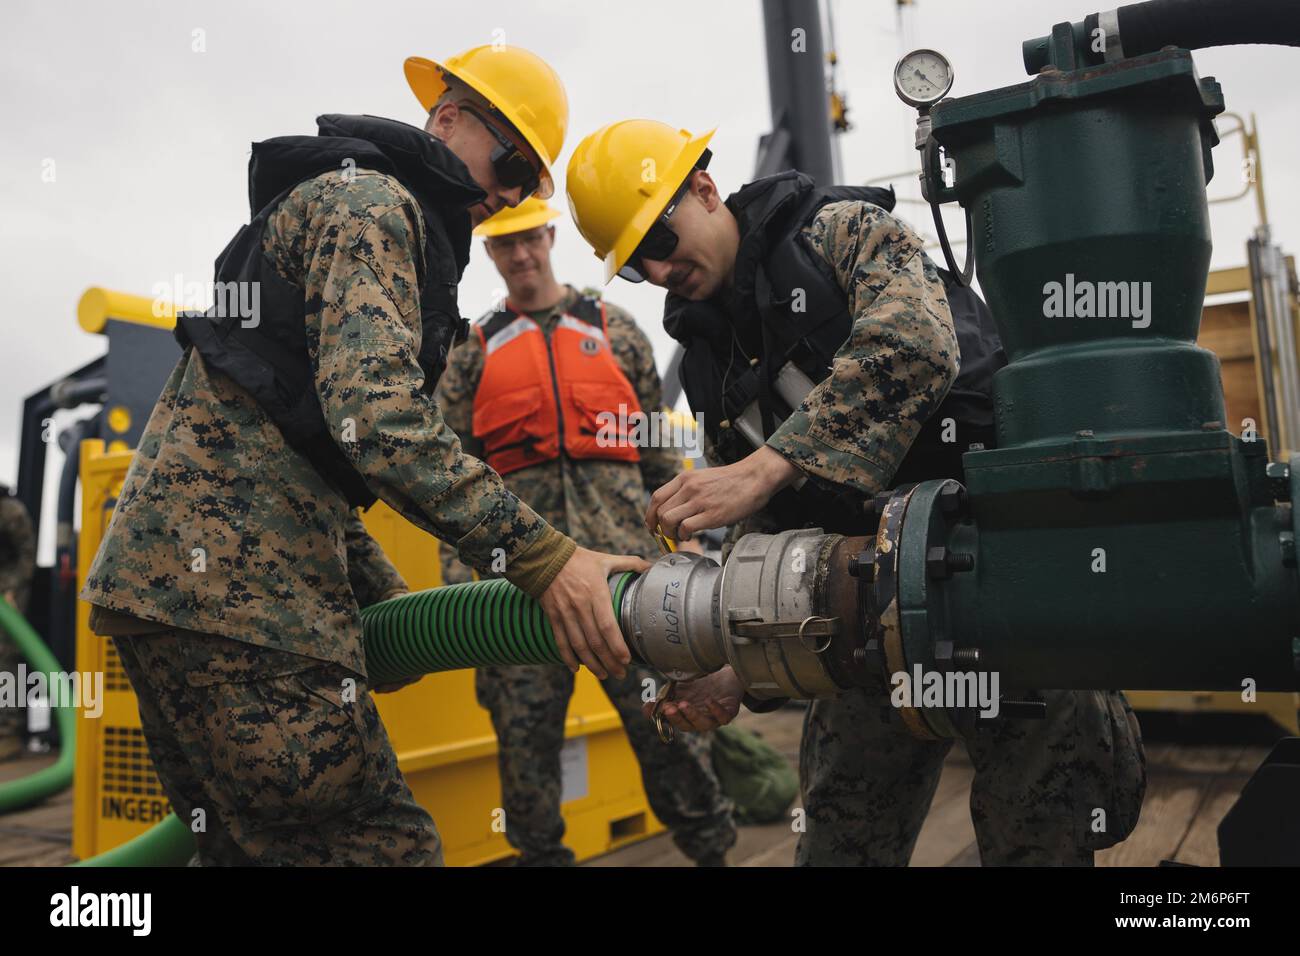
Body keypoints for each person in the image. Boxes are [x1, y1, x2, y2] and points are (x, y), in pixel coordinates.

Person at [79, 46, 645, 866]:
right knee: (381, 847)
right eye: (512, 161)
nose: (510, 195)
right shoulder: (375, 206)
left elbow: (297, 447)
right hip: (240, 606)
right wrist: (548, 558)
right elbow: (376, 422)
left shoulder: (360, 205)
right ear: (448, 118)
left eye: (529, 184)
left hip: (177, 596)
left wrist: (378, 595)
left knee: (253, 852)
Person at [565, 118, 1146, 866]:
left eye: (658, 241)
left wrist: (770, 462)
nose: (657, 269)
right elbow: (762, 534)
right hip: (863, 618)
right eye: (635, 268)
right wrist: (737, 669)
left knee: (1043, 832)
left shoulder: (837, 233)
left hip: (994, 578)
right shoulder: (710, 363)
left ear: (704, 189)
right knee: (839, 839)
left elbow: (916, 343)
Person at [435, 197, 736, 865]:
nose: (520, 255)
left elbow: (660, 454)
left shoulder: (616, 328)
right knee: (526, 755)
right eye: (504, 245)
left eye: (530, 240)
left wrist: (687, 548)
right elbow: (446, 478)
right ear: (490, 252)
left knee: (675, 734)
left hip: (627, 581)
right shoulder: (471, 349)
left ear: (548, 236)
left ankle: (712, 849)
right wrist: (462, 591)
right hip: (517, 592)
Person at [0, 486, 37, 762]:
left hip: (9, 592)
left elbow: (26, 554)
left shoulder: (10, 511)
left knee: (6, 659)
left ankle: (9, 734)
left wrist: (11, 590)